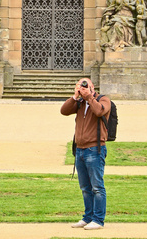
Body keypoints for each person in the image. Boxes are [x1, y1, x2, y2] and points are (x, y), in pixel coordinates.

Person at [61, 77, 110, 230]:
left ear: (92, 87)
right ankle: (88, 217)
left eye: (85, 85)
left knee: (97, 186)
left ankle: (98, 219)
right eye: (80, 85)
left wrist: (89, 96)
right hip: (80, 150)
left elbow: (99, 111)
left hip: (95, 149)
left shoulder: (103, 100)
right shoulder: (80, 103)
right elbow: (64, 111)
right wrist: (75, 97)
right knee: (85, 187)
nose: (83, 88)